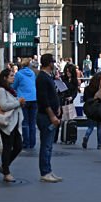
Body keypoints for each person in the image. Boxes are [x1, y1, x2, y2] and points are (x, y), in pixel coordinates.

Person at [0, 67, 24, 182]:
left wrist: (19, 104)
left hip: (13, 122)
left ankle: (5, 166)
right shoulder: (1, 90)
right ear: (5, 78)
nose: (13, 77)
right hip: (7, 123)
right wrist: (18, 102)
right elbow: (4, 106)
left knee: (18, 146)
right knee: (8, 146)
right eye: (11, 76)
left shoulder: (9, 90)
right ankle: (6, 171)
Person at [35, 54, 62, 182]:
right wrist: (52, 115)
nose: (54, 64)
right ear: (49, 63)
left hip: (49, 114)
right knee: (46, 145)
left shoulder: (47, 77)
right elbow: (44, 99)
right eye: (53, 61)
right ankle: (45, 172)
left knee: (49, 145)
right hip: (45, 116)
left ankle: (48, 170)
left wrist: (58, 107)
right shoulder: (42, 78)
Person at [12, 57, 38, 151]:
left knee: (25, 122)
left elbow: (14, 86)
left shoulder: (18, 74)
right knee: (32, 122)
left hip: (23, 99)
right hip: (34, 98)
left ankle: (26, 142)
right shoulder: (32, 73)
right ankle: (32, 142)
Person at [81, 71, 101, 150]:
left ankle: (86, 137)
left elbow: (84, 99)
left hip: (89, 109)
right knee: (99, 127)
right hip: (98, 109)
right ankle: (99, 144)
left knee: (90, 127)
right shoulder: (100, 89)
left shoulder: (87, 88)